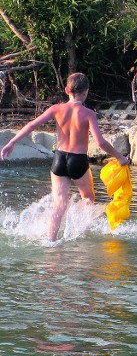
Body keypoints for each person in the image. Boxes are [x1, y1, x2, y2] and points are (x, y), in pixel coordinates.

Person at [0, 72, 129, 241]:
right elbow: (100, 142)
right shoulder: (88, 113)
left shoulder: (56, 109)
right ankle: (77, 232)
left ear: (67, 89)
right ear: (86, 92)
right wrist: (120, 157)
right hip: (78, 160)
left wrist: (12, 142)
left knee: (59, 203)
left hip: (59, 159)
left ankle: (50, 240)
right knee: (88, 198)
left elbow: (32, 125)